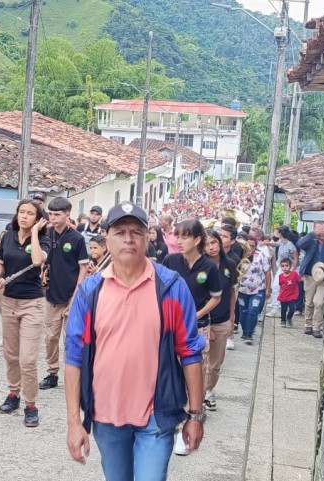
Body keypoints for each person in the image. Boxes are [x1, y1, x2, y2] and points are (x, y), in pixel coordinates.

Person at [64, 202, 206, 479]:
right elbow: (74, 357)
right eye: (120, 232)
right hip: (106, 415)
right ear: (106, 238)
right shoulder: (90, 292)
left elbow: (190, 352)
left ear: (147, 238)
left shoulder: (171, 287)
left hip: (157, 415)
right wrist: (73, 423)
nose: (128, 239)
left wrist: (195, 415)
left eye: (136, 232)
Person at [162, 219, 220, 455]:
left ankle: (187, 426)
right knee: (171, 374)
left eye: (185, 236)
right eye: (177, 236)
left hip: (198, 327)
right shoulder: (170, 261)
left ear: (197, 240)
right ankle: (173, 422)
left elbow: (216, 297)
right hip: (170, 327)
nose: (179, 241)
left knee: (194, 376)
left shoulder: (209, 267)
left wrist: (195, 314)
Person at [0, 200, 50, 427]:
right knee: (11, 355)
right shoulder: (7, 237)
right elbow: (0, 262)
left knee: (28, 359)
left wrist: (34, 233)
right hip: (8, 301)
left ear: (38, 218)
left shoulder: (43, 240)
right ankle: (13, 394)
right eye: (21, 212)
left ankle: (31, 405)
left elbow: (37, 260)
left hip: (32, 304)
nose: (24, 216)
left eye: (30, 213)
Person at [39, 198, 88, 390]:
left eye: (57, 214)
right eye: (50, 214)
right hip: (51, 296)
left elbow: (83, 268)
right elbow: (42, 260)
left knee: (71, 339)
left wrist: (76, 295)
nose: (53, 218)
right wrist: (42, 274)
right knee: (50, 338)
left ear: (68, 215)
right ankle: (52, 373)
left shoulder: (77, 238)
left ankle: (73, 374)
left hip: (71, 297)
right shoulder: (46, 234)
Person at [203, 230, 238, 410]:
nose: (211, 247)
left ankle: (208, 391)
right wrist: (207, 325)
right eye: (207, 244)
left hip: (223, 320)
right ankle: (198, 394)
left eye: (214, 242)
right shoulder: (200, 266)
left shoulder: (229, 264)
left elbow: (232, 292)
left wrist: (231, 318)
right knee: (200, 361)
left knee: (215, 364)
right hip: (202, 322)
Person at [296, 222, 324, 338]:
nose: (321, 234)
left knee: (319, 302)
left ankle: (316, 327)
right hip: (310, 275)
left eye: (323, 231)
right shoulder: (311, 241)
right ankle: (308, 324)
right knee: (309, 301)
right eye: (319, 231)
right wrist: (312, 234)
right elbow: (299, 244)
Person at [237, 235, 271, 345]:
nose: (250, 248)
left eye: (253, 246)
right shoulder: (239, 255)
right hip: (242, 290)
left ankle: (248, 334)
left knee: (253, 311)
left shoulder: (261, 255)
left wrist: (268, 289)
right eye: (248, 245)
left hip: (258, 289)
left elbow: (267, 272)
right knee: (243, 313)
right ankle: (245, 331)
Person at [266, 226, 298, 317]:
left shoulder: (290, 245)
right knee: (276, 287)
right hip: (281, 268)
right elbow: (275, 244)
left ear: (281, 233)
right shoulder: (282, 242)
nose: (275, 233)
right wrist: (265, 243)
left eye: (277, 232)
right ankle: (275, 306)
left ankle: (284, 308)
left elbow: (296, 259)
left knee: (285, 289)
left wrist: (292, 271)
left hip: (288, 269)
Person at [277, 258, 302, 328]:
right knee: (283, 309)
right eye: (282, 266)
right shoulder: (280, 276)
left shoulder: (294, 274)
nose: (284, 268)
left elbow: (300, 280)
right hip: (283, 296)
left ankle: (289, 318)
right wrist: (280, 294)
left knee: (292, 309)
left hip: (292, 295)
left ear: (290, 266)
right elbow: (281, 286)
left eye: (286, 266)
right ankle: (283, 320)